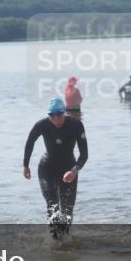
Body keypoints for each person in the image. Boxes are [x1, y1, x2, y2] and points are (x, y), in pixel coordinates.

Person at [22, 97, 88, 238]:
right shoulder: (42, 125)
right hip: (47, 168)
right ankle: (54, 239)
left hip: (69, 169)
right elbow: (30, 142)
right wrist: (25, 165)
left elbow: (84, 154)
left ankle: (66, 238)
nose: (56, 118)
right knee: (52, 203)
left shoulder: (76, 125)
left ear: (64, 113)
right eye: (52, 115)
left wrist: (74, 170)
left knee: (67, 208)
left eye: (59, 114)